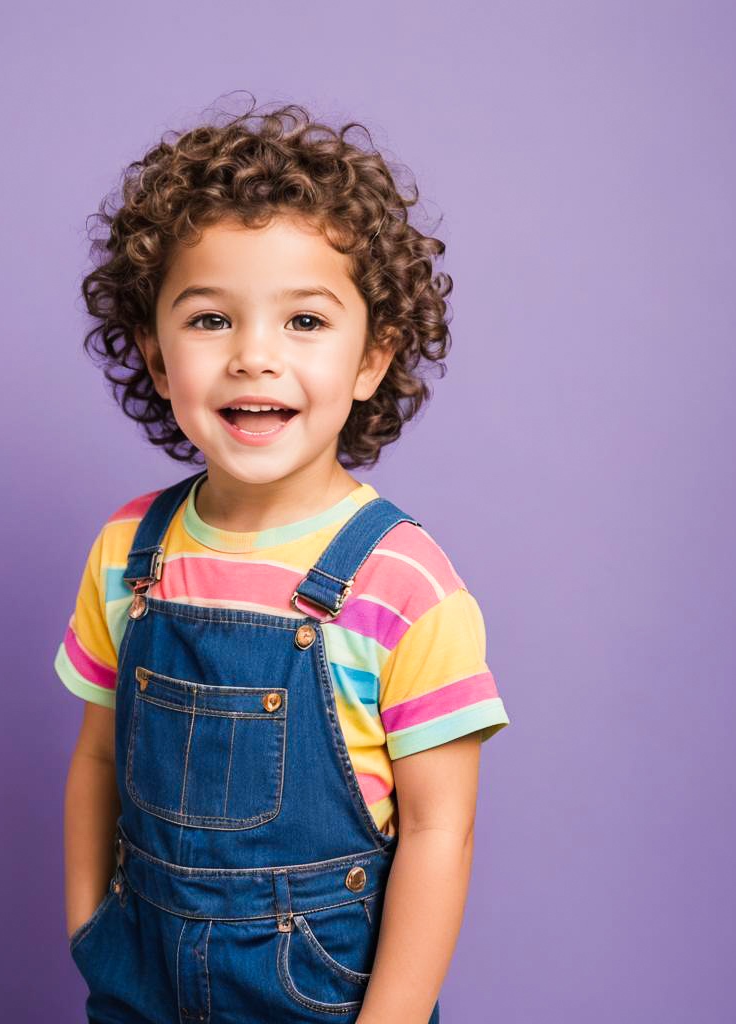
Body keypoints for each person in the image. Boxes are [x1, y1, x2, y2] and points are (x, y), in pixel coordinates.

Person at [54, 99, 511, 1023]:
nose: (254, 357)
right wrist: (87, 932)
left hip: (320, 1003)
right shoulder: (127, 552)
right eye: (211, 319)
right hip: (136, 986)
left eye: (304, 322)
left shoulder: (404, 583)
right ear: (153, 349)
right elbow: (98, 757)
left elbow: (438, 830)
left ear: (374, 357)